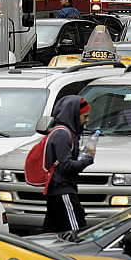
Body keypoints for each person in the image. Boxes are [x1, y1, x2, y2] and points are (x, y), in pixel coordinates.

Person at [42, 95, 95, 232]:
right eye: (85, 116)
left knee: (52, 232)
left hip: (58, 190)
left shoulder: (64, 133)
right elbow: (66, 166)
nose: (87, 120)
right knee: (78, 232)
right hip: (62, 189)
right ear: (73, 115)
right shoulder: (63, 135)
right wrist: (87, 160)